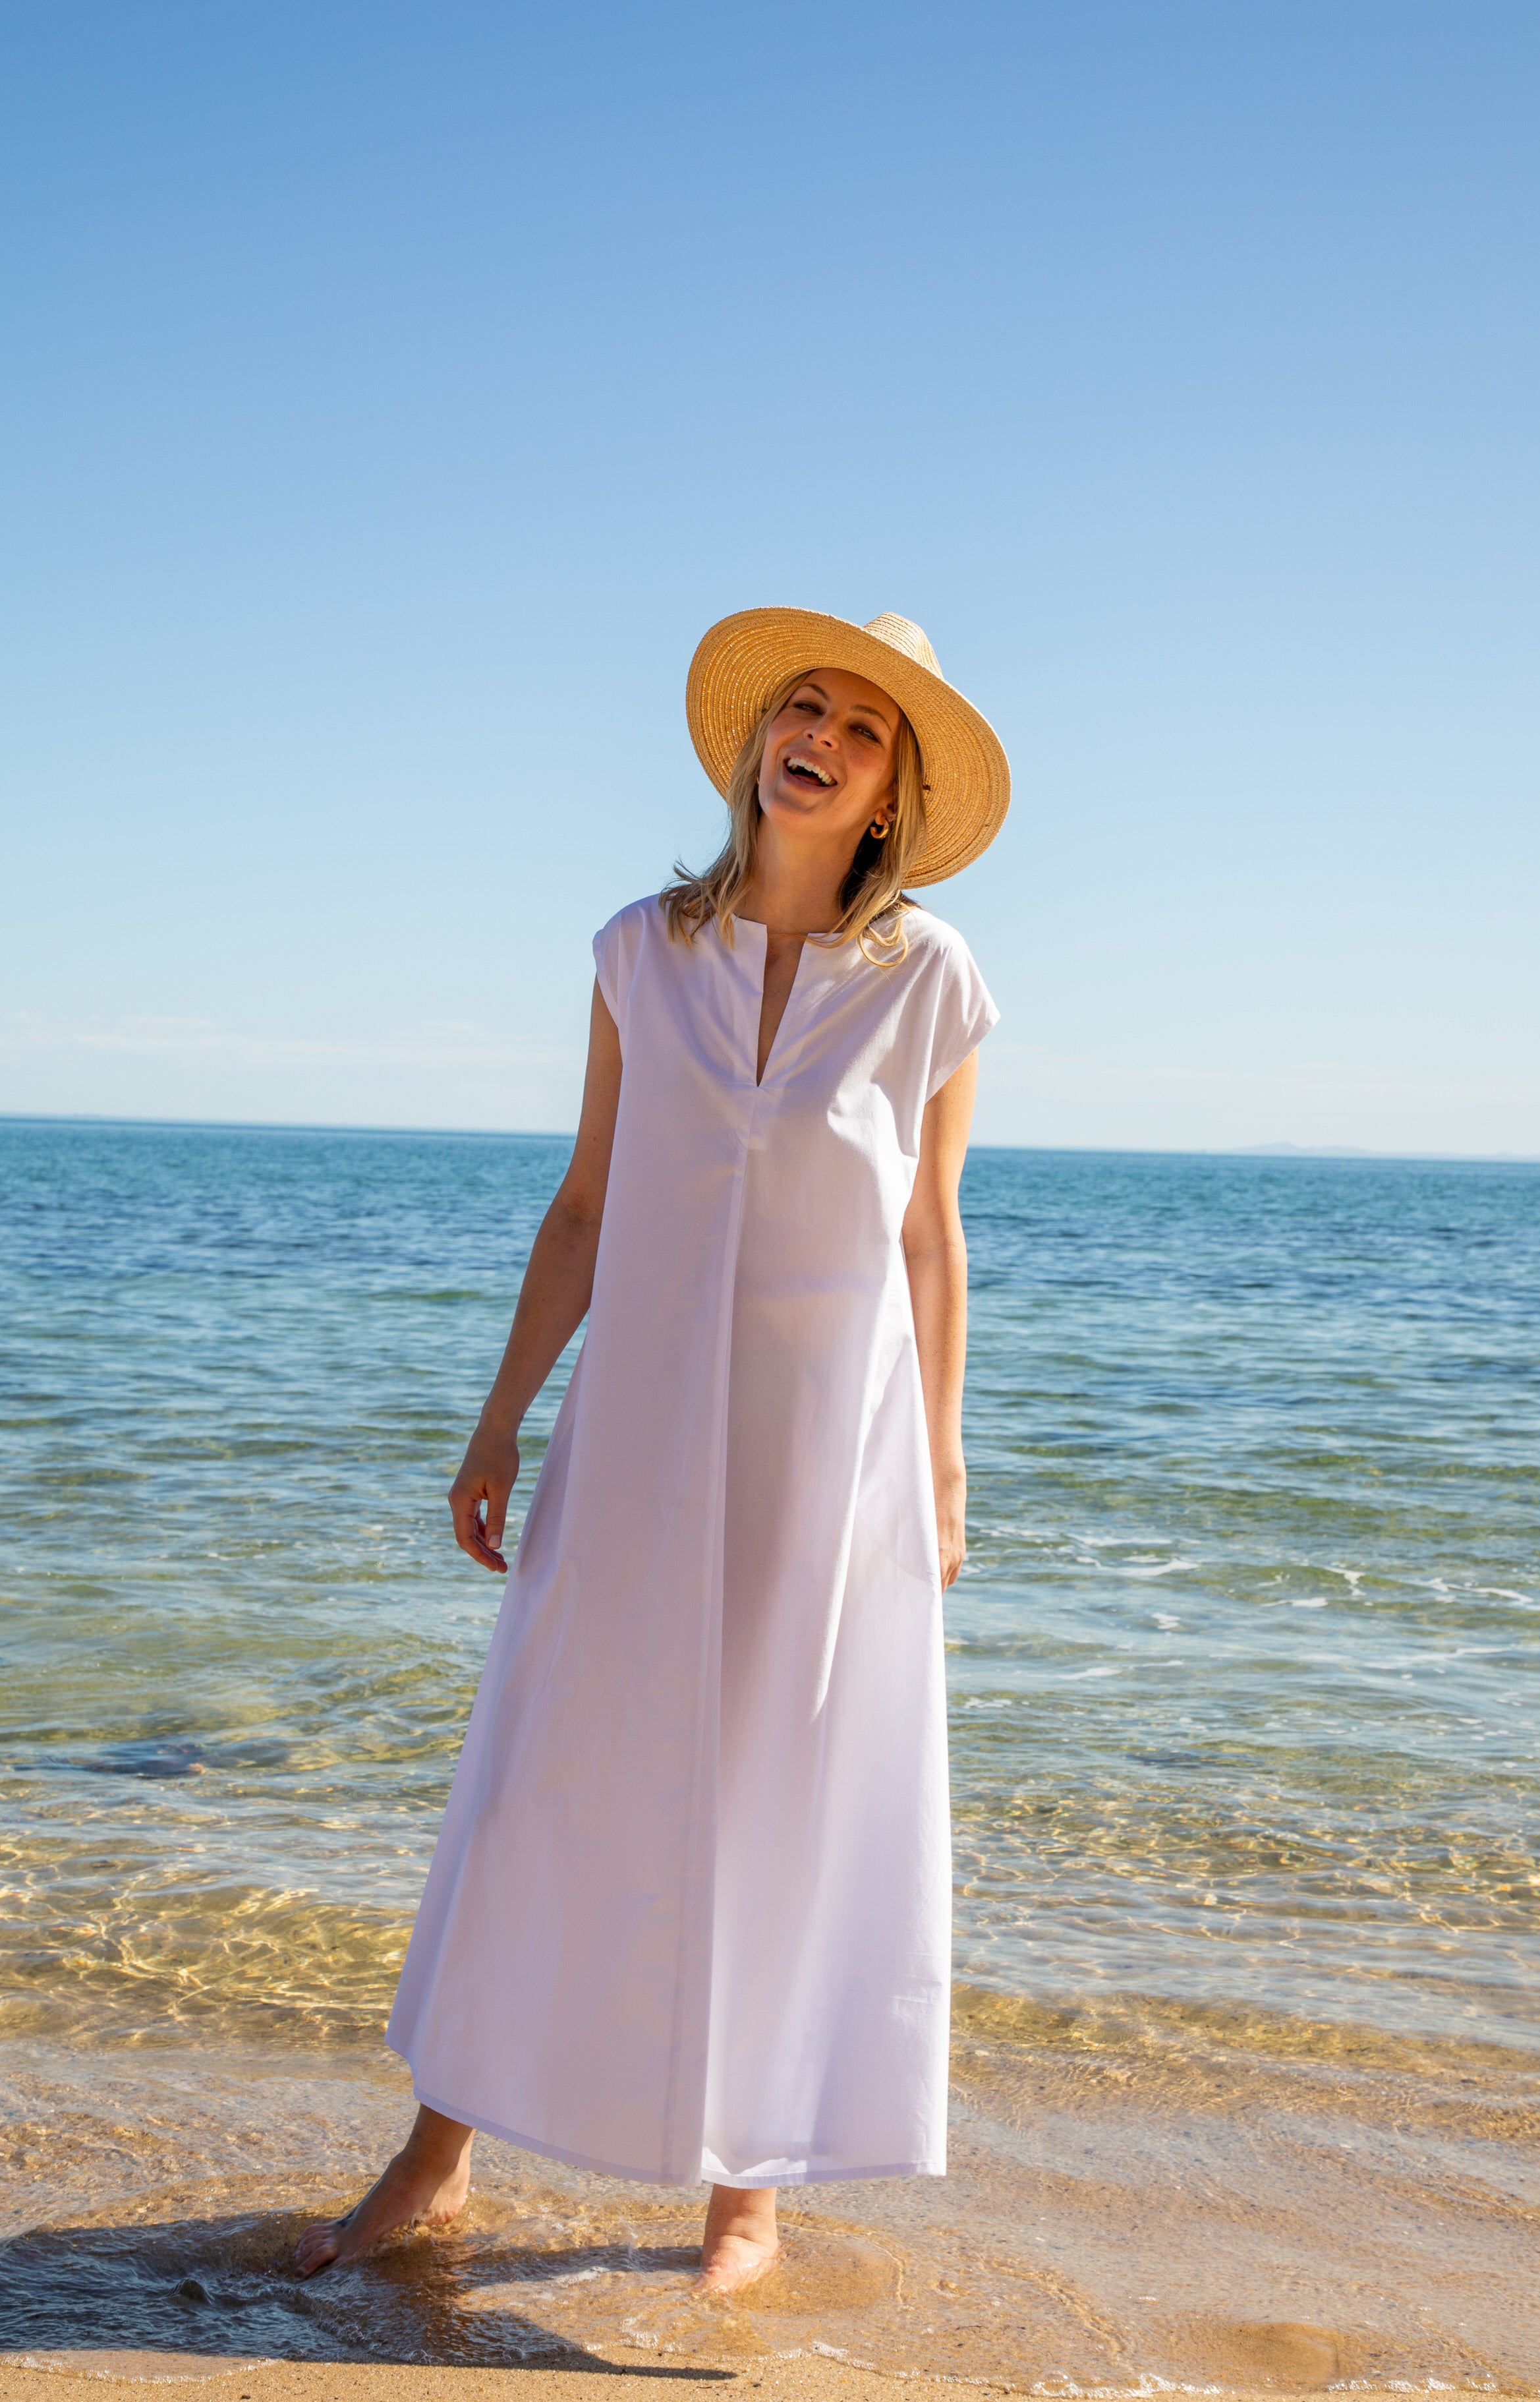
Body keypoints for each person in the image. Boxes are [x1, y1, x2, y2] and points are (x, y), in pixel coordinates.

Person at [295, 606, 1010, 2294]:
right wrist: (498, 1412)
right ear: (761, 740)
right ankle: (434, 2156)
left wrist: (946, 1461)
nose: (820, 734)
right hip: (630, 1438)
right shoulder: (637, 949)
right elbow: (585, 1207)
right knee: (546, 1766)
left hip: (826, 1454)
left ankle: (745, 2193)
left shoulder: (930, 980)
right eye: (805, 705)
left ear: (890, 790)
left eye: (862, 726)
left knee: (784, 1788)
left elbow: (929, 1240)